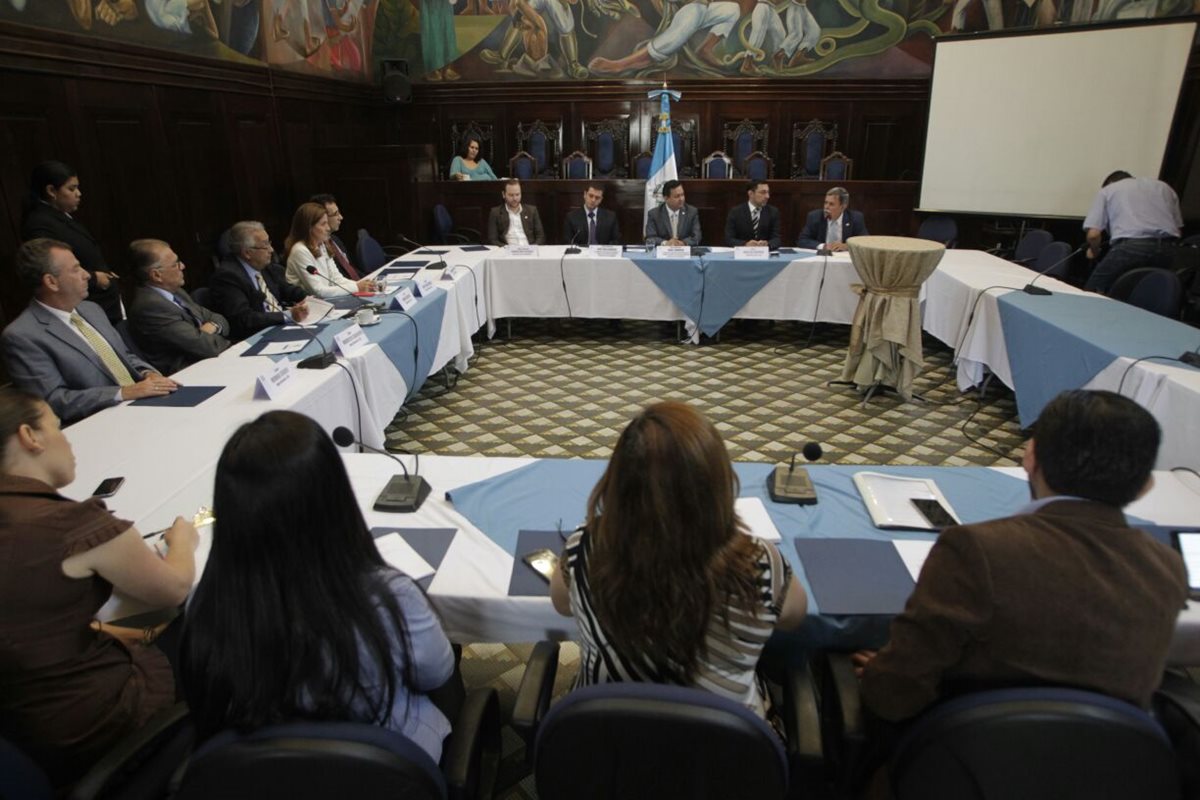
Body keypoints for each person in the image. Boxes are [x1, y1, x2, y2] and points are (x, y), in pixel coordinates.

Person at [856, 389, 1187, 723]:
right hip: (1117, 767)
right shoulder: (1168, 566)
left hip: (967, 761)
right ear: (1147, 485)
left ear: (1030, 457)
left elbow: (892, 697)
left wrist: (882, 676)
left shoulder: (974, 549)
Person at [180, 411, 456, 762]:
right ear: (335, 496)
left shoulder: (206, 602)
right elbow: (438, 673)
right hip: (383, 773)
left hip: (259, 780)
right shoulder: (389, 597)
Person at [550, 401, 807, 722]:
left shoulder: (585, 546)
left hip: (607, 741)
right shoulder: (761, 562)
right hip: (726, 751)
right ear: (717, 484)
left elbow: (561, 604)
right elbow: (795, 617)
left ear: (617, 483)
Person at [0, 387, 198, 786]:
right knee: (217, 615)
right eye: (58, 427)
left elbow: (33, 628)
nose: (69, 442)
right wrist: (183, 542)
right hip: (105, 722)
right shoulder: (67, 525)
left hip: (28, 726)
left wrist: (135, 633)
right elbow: (175, 587)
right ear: (30, 437)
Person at [2, 239, 177, 424]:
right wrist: (121, 393)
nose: (86, 275)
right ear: (51, 282)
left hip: (144, 405)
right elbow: (52, 401)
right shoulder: (23, 336)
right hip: (98, 423)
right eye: (76, 269)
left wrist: (149, 374)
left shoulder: (91, 309)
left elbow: (124, 356)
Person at [21, 161, 123, 325]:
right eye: (71, 188)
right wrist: (95, 278)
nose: (78, 193)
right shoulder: (39, 223)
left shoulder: (60, 215)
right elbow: (54, 268)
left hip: (103, 303)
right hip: (85, 304)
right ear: (51, 191)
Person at [126, 238, 230, 376]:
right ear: (157, 275)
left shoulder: (176, 291)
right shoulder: (150, 307)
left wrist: (212, 326)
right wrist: (211, 334)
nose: (183, 266)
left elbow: (219, 318)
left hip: (210, 361)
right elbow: (209, 347)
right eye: (175, 264)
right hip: (188, 374)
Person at [1082, 171, 1183, 294]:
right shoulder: (1164, 187)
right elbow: (1178, 227)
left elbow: (1094, 235)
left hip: (1130, 248)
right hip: (1168, 250)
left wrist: (1094, 251)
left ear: (1110, 183)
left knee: (1092, 291)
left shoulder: (1109, 190)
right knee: (1144, 294)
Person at [208, 221, 310, 342]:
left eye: (269, 243)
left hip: (281, 328)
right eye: (265, 245)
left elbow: (287, 289)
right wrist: (288, 315)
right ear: (247, 253)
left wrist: (307, 298)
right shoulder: (227, 277)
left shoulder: (264, 266)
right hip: (256, 338)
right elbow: (244, 318)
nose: (271, 250)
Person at [284, 202, 376, 298]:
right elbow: (318, 291)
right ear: (309, 228)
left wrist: (362, 284)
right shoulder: (300, 251)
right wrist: (357, 287)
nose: (328, 228)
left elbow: (336, 279)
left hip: (327, 301)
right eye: (323, 224)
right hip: (307, 307)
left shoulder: (322, 244)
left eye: (327, 223)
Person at [310, 193, 364, 280]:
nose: (341, 217)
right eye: (336, 214)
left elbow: (351, 269)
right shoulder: (316, 247)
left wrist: (368, 280)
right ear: (323, 217)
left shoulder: (335, 240)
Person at [796, 187, 869, 251]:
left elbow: (864, 242)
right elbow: (802, 240)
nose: (826, 207)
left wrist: (846, 246)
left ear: (843, 206)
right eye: (825, 203)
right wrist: (824, 246)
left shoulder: (855, 218)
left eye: (831, 204)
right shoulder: (815, 216)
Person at [486, 179, 546, 246]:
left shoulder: (532, 210)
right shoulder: (495, 212)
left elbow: (541, 237)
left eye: (517, 194)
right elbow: (492, 239)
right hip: (507, 251)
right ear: (503, 194)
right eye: (511, 195)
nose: (515, 198)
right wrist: (506, 248)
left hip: (529, 250)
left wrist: (532, 248)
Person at [725, 180, 781, 249]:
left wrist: (767, 244)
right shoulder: (736, 212)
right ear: (751, 193)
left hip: (765, 255)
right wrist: (745, 244)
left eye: (768, 192)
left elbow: (777, 239)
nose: (767, 196)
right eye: (763, 192)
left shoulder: (773, 212)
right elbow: (728, 239)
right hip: (742, 254)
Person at [644, 179, 701, 247]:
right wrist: (666, 243)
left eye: (682, 195)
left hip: (685, 254)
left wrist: (683, 243)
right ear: (666, 198)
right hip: (663, 254)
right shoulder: (654, 214)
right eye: (677, 196)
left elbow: (697, 236)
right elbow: (650, 238)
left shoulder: (691, 212)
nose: (681, 199)